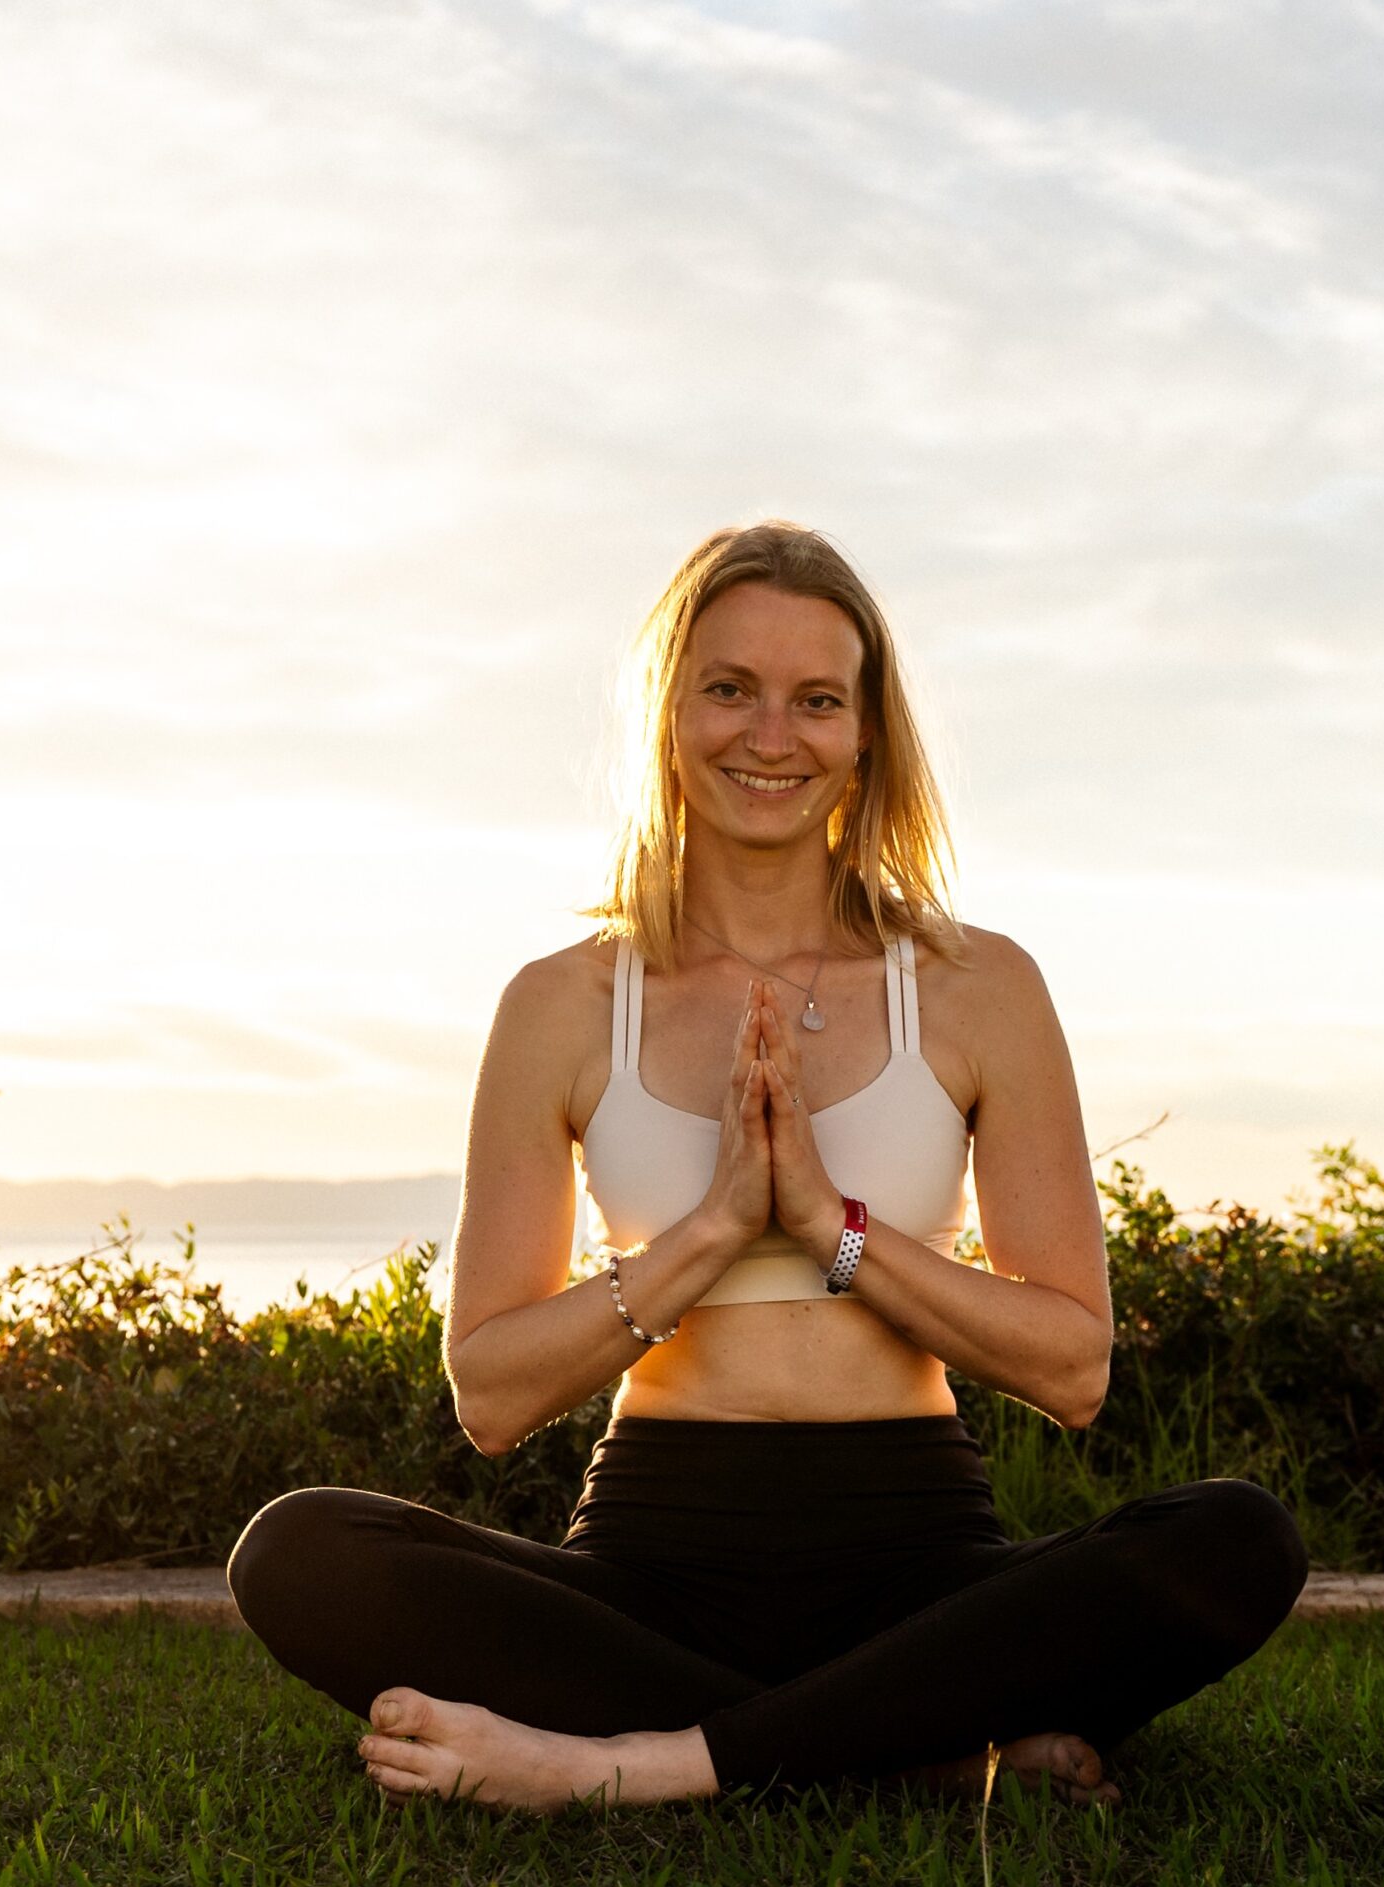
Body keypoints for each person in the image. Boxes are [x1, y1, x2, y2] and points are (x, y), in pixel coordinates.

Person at [226, 521, 1306, 1812]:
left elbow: (1073, 1368)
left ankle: (628, 1764)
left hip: (920, 1555)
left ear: (867, 736)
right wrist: (715, 1229)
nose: (771, 736)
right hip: (653, 1559)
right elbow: (492, 1392)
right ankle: (908, 1741)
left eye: (817, 701)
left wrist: (832, 1226)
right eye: (730, 688)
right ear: (671, 714)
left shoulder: (978, 987)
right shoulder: (563, 1004)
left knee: (1236, 1538)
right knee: (299, 1550)